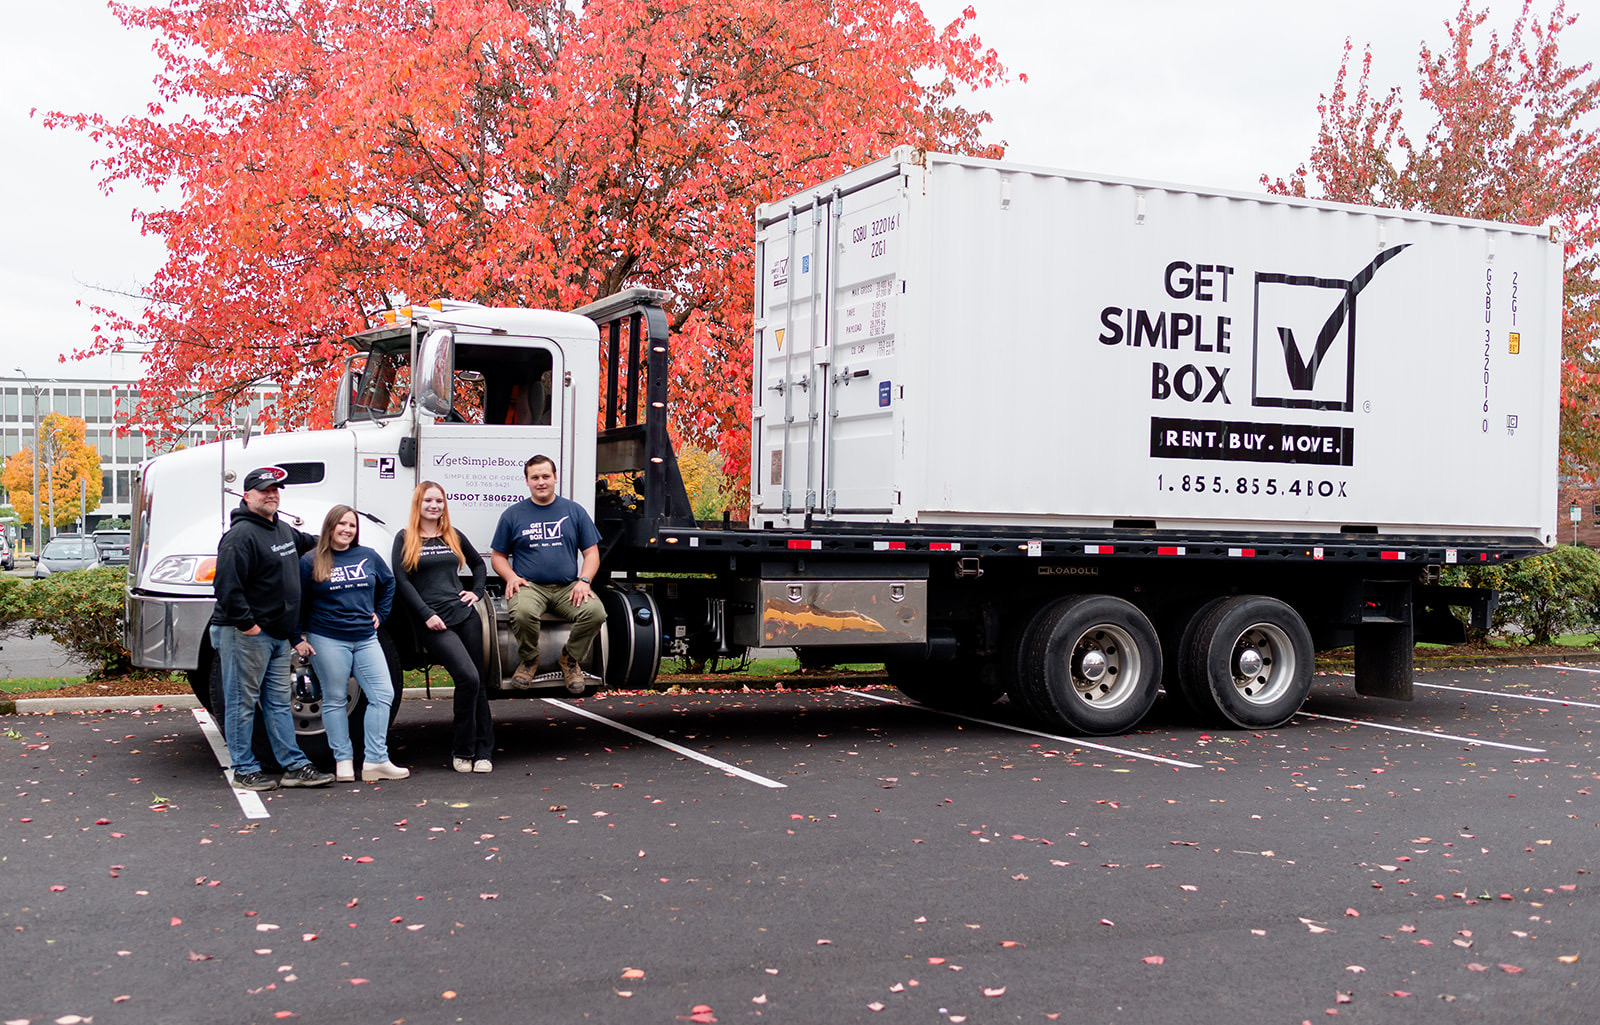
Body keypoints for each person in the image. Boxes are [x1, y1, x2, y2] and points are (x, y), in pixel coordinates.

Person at [208, 466, 335, 792]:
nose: (272, 495)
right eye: (264, 490)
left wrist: (338, 539)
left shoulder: (281, 530)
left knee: (278, 704)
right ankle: (244, 770)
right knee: (242, 704)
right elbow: (226, 588)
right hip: (247, 636)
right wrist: (249, 626)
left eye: (275, 490)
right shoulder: (240, 537)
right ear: (247, 496)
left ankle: (294, 766)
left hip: (278, 636)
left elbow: (309, 542)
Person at [293, 505, 406, 783]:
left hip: (366, 638)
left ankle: (376, 760)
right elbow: (298, 600)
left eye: (352, 525)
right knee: (335, 699)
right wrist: (297, 637)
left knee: (383, 695)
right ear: (330, 527)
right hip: (327, 639)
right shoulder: (310, 561)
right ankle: (343, 761)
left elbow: (389, 583)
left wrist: (381, 613)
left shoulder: (368, 556)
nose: (347, 530)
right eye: (341, 524)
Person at [392, 481, 493, 773]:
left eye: (439, 501)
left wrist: (476, 592)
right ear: (418, 504)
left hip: (465, 615)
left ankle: (484, 752)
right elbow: (402, 581)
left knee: (478, 683)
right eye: (428, 501)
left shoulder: (452, 535)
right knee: (467, 677)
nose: (434, 506)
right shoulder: (405, 538)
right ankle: (463, 750)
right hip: (433, 622)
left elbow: (479, 565)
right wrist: (426, 614)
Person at [490, 454, 606, 693]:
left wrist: (584, 580)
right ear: (527, 481)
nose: (541, 482)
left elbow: (592, 553)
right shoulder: (513, 515)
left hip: (568, 588)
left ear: (555, 478)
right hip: (530, 587)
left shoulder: (574, 511)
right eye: (535, 477)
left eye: (545, 476)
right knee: (522, 613)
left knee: (595, 613)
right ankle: (529, 660)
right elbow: (497, 557)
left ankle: (570, 660)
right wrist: (511, 577)